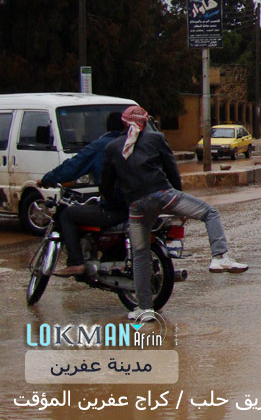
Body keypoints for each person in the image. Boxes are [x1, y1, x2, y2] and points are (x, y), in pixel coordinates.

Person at [102, 106, 248, 322]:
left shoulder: (113, 147)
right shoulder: (155, 139)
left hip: (136, 207)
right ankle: (219, 257)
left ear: (124, 124)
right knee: (210, 212)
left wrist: (121, 203)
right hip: (163, 196)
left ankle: (145, 309)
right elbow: (172, 170)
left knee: (140, 256)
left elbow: (106, 185)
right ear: (145, 122)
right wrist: (179, 203)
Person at [37, 112, 126, 277]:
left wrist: (47, 179)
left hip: (116, 208)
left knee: (68, 215)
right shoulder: (136, 143)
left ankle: (76, 263)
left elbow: (73, 167)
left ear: (107, 128)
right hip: (142, 205)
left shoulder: (101, 146)